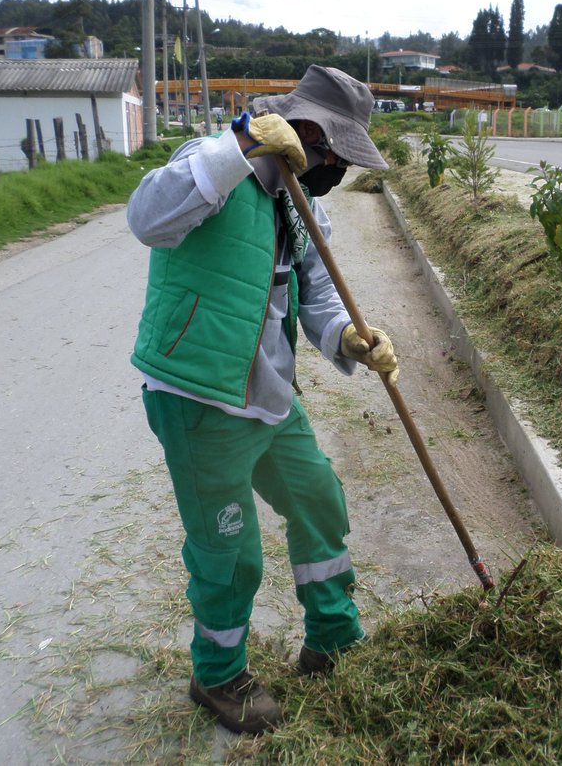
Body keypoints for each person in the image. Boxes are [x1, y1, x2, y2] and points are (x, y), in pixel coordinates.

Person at [127, 65, 399, 735]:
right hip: (200, 396)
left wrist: (350, 337)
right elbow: (146, 218)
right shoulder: (214, 163)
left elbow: (319, 292)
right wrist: (240, 146)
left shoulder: (303, 205)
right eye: (335, 153)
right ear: (305, 131)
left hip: (270, 394)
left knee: (318, 501)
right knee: (231, 551)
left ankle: (332, 636)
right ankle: (218, 675)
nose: (337, 169)